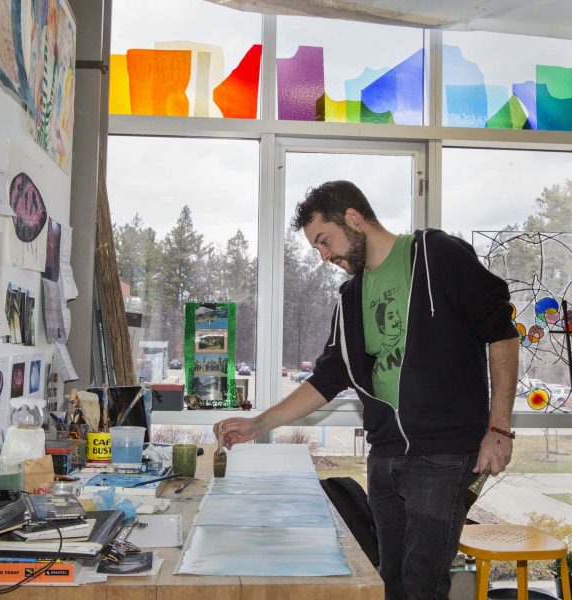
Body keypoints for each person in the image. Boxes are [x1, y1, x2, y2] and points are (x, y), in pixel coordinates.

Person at [214, 180, 519, 600]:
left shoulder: (434, 256)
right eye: (317, 248)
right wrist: (258, 422)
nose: (324, 256)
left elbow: (501, 332)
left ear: (354, 219)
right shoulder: (351, 296)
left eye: (324, 241)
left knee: (422, 586)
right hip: (385, 456)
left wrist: (499, 429)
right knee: (388, 581)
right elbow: (327, 379)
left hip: (444, 456)